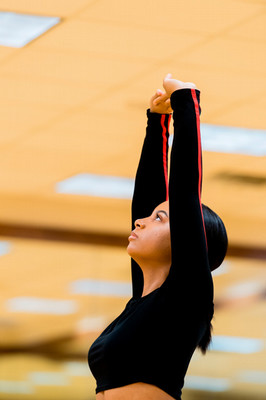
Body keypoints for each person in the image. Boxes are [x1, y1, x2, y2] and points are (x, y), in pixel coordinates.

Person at [88, 74, 228, 400]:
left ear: (184, 239)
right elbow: (148, 198)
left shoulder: (186, 297)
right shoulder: (144, 302)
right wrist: (158, 124)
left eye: (158, 218)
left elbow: (184, 193)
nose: (139, 221)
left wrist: (185, 103)